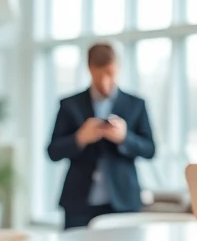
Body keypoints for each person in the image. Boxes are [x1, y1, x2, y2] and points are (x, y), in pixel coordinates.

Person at [47, 42, 156, 230]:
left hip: (122, 200)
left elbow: (150, 149)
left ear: (118, 68)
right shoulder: (69, 105)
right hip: (79, 202)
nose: (105, 82)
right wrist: (80, 138)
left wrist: (124, 138)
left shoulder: (136, 104)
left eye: (110, 74)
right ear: (89, 69)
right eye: (99, 76)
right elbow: (52, 151)